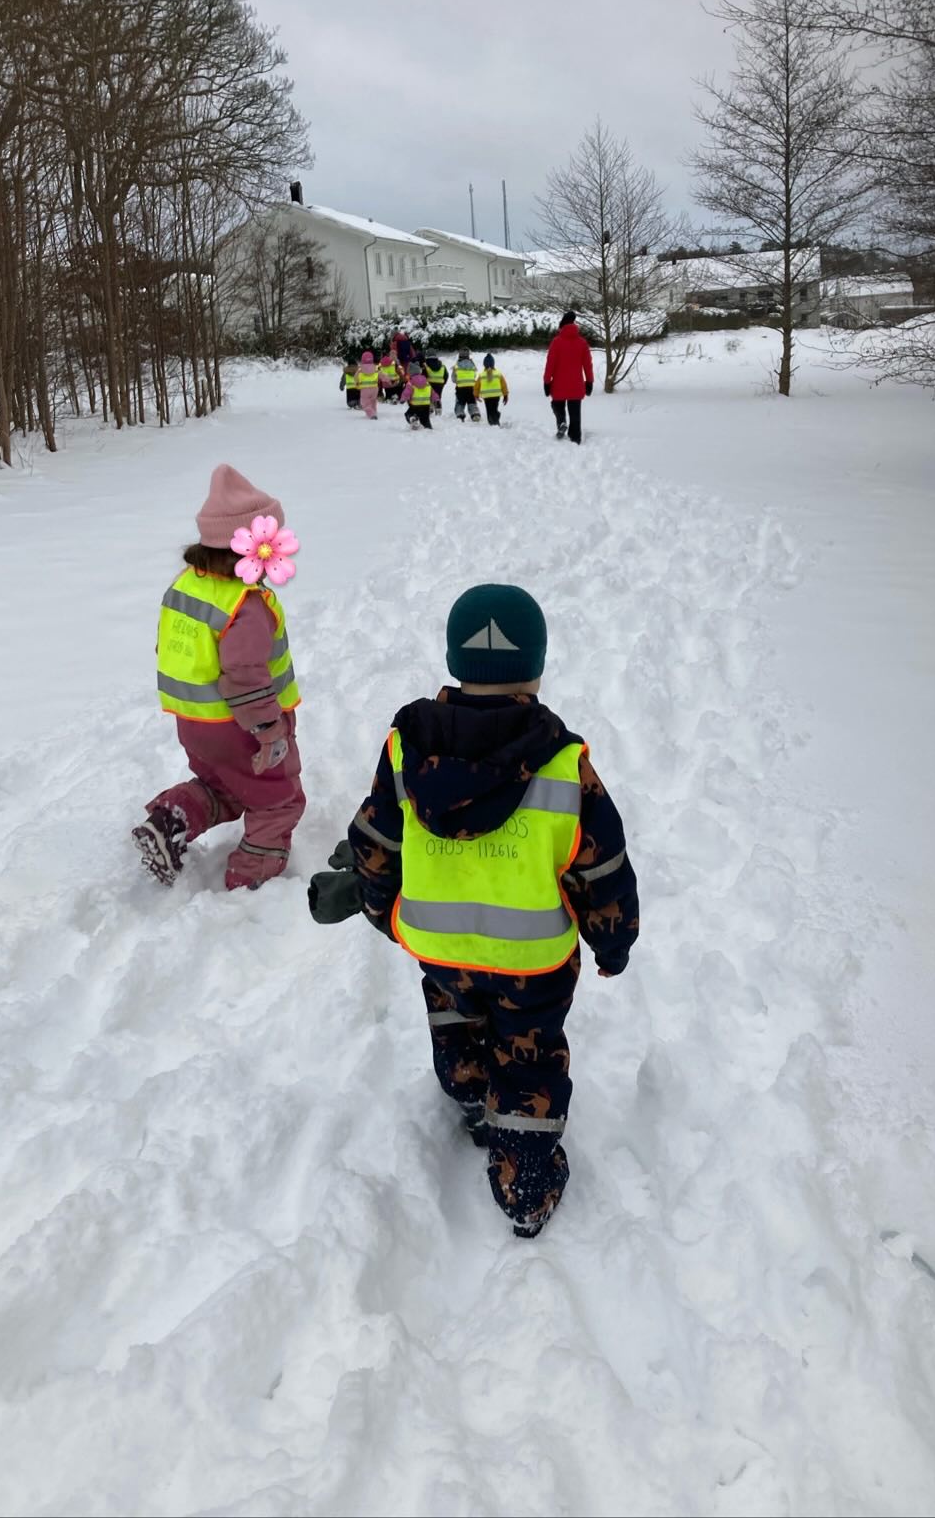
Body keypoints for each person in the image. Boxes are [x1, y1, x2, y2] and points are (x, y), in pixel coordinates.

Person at [338, 584, 638, 1237]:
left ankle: (472, 1095)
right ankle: (524, 1182)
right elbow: (601, 865)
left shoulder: (406, 749)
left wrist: (378, 902)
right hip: (532, 964)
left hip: (442, 950)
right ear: (535, 665)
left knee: (456, 1020)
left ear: (455, 660)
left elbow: (376, 838)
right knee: (528, 1060)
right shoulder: (561, 764)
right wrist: (613, 941)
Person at [133, 464, 304, 892]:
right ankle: (253, 879)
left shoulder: (187, 586)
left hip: (195, 723)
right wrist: (270, 730)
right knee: (277, 799)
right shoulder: (245, 606)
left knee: (225, 785)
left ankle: (170, 821)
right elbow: (244, 678)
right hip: (241, 726)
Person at [543, 310, 594, 444]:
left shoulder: (556, 342)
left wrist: (547, 382)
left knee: (557, 405)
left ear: (562, 326)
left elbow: (550, 365)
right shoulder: (582, 343)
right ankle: (575, 438)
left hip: (559, 385)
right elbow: (588, 365)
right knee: (575, 413)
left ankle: (561, 422)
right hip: (576, 386)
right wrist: (589, 381)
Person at [401, 360, 437, 429]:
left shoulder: (411, 382)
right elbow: (432, 391)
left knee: (408, 414)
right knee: (425, 419)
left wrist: (403, 399)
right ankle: (428, 427)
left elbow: (407, 392)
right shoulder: (426, 382)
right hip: (426, 405)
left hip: (415, 405)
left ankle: (413, 419)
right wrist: (436, 399)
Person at [478, 353, 509, 426]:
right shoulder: (498, 374)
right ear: (493, 364)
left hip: (487, 397)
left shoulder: (482, 375)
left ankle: (494, 422)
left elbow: (477, 386)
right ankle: (495, 417)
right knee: (494, 408)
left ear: (484, 364)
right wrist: (505, 395)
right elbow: (504, 385)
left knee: (489, 410)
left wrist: (476, 395)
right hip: (496, 396)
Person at [452, 349, 480, 422]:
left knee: (460, 402)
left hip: (460, 388)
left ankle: (460, 415)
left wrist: (458, 381)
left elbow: (453, 378)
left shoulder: (457, 365)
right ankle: (475, 414)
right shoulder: (472, 364)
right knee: (472, 401)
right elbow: (474, 375)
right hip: (471, 387)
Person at [353, 349, 380, 418]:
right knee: (373, 401)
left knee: (364, 403)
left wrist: (356, 384)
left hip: (365, 389)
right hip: (375, 389)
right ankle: (374, 411)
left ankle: (371, 414)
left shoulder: (360, 369)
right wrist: (388, 379)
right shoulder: (376, 368)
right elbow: (382, 375)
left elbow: (356, 378)